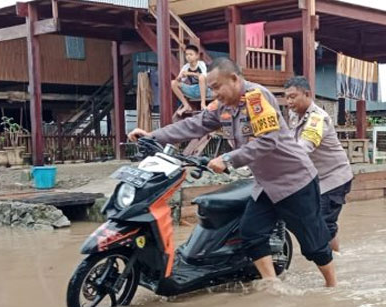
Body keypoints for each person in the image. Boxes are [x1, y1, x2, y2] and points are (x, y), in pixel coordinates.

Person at [128, 57, 337, 287]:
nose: (214, 93)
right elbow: (194, 125)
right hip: (265, 183)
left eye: (217, 87)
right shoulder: (222, 106)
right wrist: (152, 136)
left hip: (295, 181)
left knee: (312, 242)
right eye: (211, 88)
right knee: (251, 234)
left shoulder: (256, 98)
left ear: (235, 79)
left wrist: (228, 159)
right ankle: (272, 284)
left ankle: (332, 287)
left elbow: (268, 141)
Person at [285, 76, 353, 252]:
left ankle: (335, 260)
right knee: (318, 221)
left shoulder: (317, 118)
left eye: (293, 97)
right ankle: (335, 256)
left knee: (323, 223)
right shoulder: (294, 116)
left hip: (334, 178)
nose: (289, 102)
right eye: (287, 98)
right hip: (315, 180)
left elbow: (304, 147)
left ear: (307, 94)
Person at [171, 45, 209, 116]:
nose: (188, 56)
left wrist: (189, 73)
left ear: (197, 56)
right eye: (186, 55)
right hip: (192, 90)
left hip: (204, 90)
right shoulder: (185, 67)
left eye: (191, 54)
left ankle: (203, 104)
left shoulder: (201, 64)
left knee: (201, 77)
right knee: (173, 83)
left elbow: (204, 76)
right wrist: (179, 77)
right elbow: (179, 80)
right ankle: (186, 105)